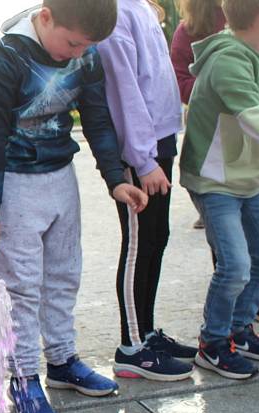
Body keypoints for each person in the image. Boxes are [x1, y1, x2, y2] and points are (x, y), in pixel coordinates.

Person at [0, 0, 149, 413]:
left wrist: (114, 178)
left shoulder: (86, 54)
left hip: (61, 178)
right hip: (16, 183)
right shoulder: (4, 59)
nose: (77, 54)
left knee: (65, 273)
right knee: (22, 285)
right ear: (45, 16)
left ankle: (63, 359)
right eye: (72, 43)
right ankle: (23, 375)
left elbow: (97, 118)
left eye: (85, 47)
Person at [180, 0, 259, 379]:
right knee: (235, 267)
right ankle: (212, 344)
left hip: (249, 180)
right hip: (215, 183)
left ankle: (239, 331)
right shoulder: (228, 61)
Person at [96, 0, 197, 382]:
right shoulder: (116, 12)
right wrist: (142, 159)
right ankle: (132, 346)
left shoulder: (138, 6)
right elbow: (123, 90)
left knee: (157, 236)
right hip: (140, 148)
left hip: (160, 137)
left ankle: (148, 332)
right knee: (139, 243)